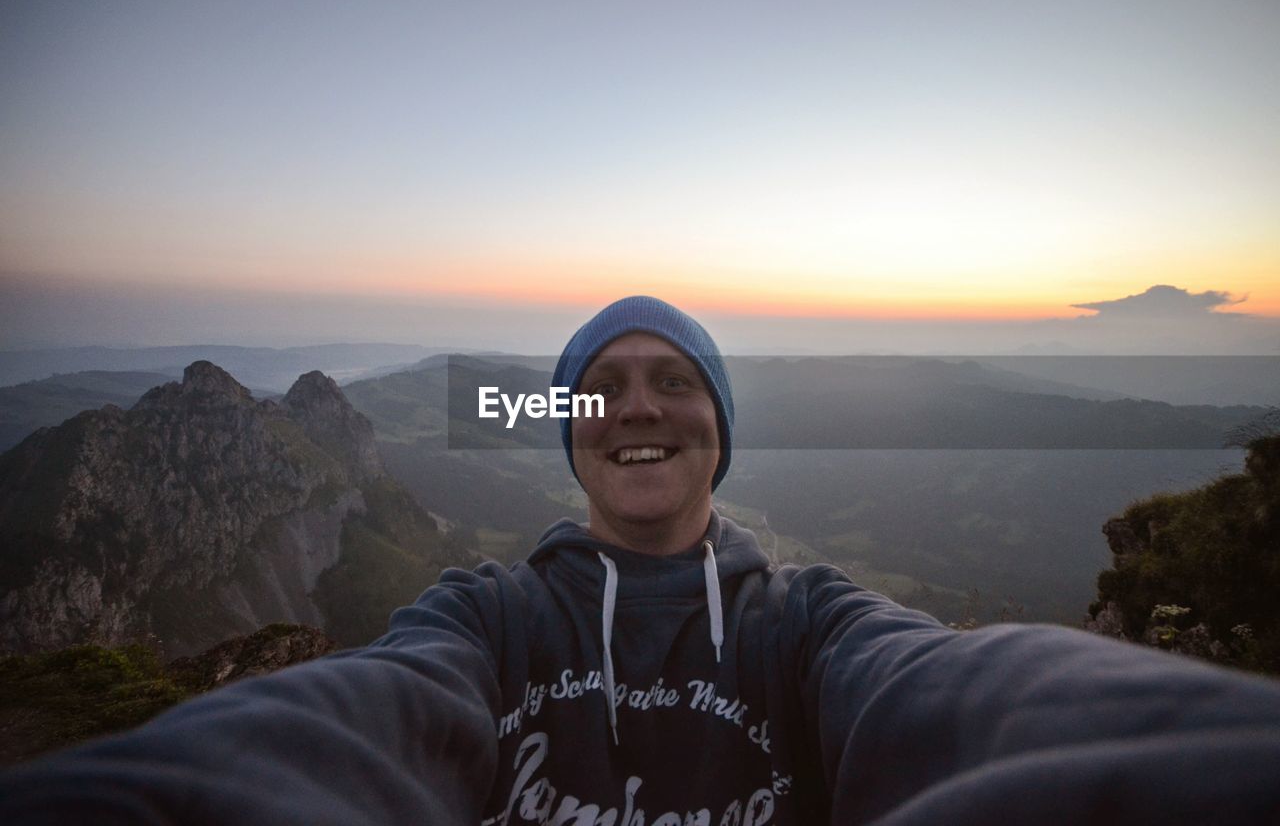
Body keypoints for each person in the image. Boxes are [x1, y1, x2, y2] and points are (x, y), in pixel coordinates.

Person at [3, 294, 1280, 825]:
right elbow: (353, 724)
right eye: (600, 389)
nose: (637, 406)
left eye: (676, 382)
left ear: (719, 427)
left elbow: (960, 698)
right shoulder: (487, 614)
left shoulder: (808, 624)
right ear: (567, 437)